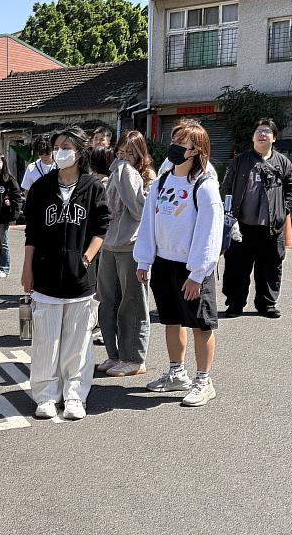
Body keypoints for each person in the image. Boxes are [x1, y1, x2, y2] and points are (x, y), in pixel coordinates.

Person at [21, 126, 110, 420]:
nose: (60, 152)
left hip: (80, 278)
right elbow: (32, 233)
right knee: (46, 342)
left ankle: (75, 395)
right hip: (45, 276)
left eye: (66, 147)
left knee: (78, 342)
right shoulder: (41, 187)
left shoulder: (93, 186)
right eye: (57, 147)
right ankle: (46, 395)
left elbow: (101, 228)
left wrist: (87, 257)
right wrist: (27, 269)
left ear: (80, 152)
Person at [134, 120, 223, 407]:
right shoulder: (161, 182)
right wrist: (144, 259)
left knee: (200, 325)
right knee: (171, 320)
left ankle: (203, 380)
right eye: (174, 140)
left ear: (196, 150)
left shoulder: (205, 186)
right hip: (164, 263)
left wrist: (197, 273)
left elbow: (210, 232)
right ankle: (176, 373)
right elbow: (149, 223)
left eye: (182, 143)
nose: (174, 147)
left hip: (192, 268)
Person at [221, 118, 292, 319]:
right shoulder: (240, 161)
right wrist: (227, 213)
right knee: (237, 267)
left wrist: (284, 211)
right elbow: (226, 187)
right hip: (241, 225)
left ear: (274, 138)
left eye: (267, 131)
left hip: (271, 227)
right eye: (259, 131)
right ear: (253, 137)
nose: (262, 134)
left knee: (270, 267)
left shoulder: (283, 163)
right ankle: (235, 304)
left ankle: (267, 305)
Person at [97, 130, 155, 377]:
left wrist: (126, 175)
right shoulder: (115, 172)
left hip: (132, 247)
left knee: (132, 304)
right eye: (120, 153)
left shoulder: (146, 176)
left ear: (139, 154)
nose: (123, 158)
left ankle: (134, 358)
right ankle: (115, 354)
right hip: (109, 245)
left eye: (129, 154)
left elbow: (140, 211)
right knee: (107, 302)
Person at [86, 146, 114, 346]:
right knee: (103, 289)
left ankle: (104, 328)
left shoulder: (99, 185)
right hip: (107, 243)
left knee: (104, 290)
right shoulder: (107, 182)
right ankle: (101, 327)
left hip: (103, 243)